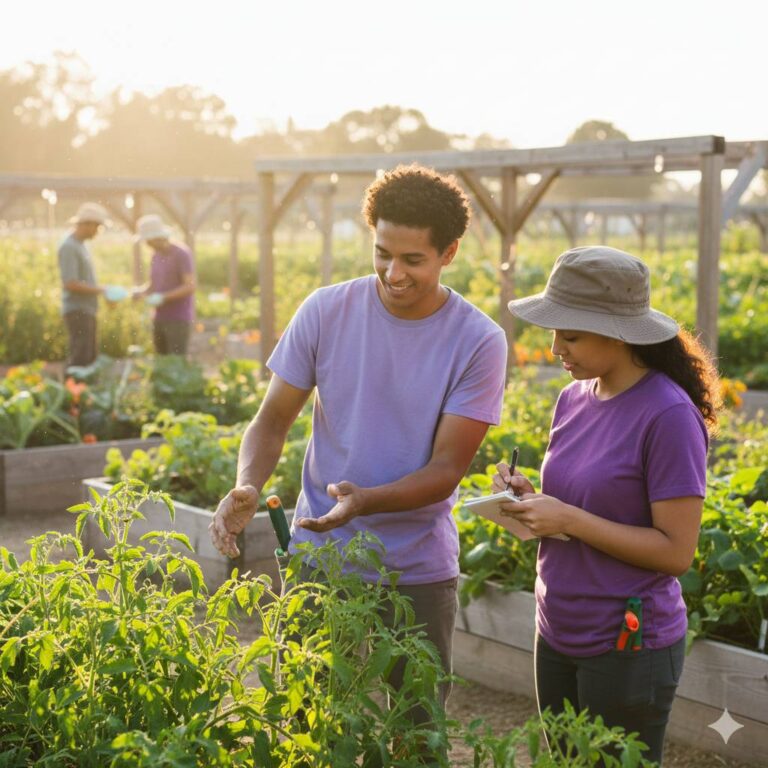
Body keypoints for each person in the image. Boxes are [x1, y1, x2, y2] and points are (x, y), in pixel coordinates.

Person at [209, 164, 507, 723]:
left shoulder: (478, 340)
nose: (393, 273)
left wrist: (365, 501)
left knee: (417, 729)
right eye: (381, 253)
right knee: (309, 720)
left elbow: (446, 468)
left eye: (413, 259)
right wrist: (247, 483)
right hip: (322, 560)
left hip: (415, 568)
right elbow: (272, 418)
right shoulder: (326, 309)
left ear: (449, 253)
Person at [491, 245, 720, 765]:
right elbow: (585, 498)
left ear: (618, 332)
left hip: (626, 644)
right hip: (556, 625)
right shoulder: (573, 398)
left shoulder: (668, 417)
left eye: (568, 335)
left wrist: (567, 516)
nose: (553, 348)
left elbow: (675, 552)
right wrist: (531, 499)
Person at [133, 214, 196, 355]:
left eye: (148, 240)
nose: (147, 244)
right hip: (159, 317)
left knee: (176, 362)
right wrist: (140, 292)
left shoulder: (181, 254)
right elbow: (154, 285)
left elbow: (190, 286)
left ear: (158, 237)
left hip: (178, 319)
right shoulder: (156, 255)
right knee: (161, 361)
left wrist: (163, 297)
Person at [58, 202, 111, 368]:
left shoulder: (81, 245)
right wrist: (103, 290)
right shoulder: (69, 247)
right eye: (96, 227)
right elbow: (71, 283)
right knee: (81, 358)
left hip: (86, 309)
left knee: (89, 357)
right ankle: (74, 391)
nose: (97, 232)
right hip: (77, 309)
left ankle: (83, 391)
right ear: (86, 224)